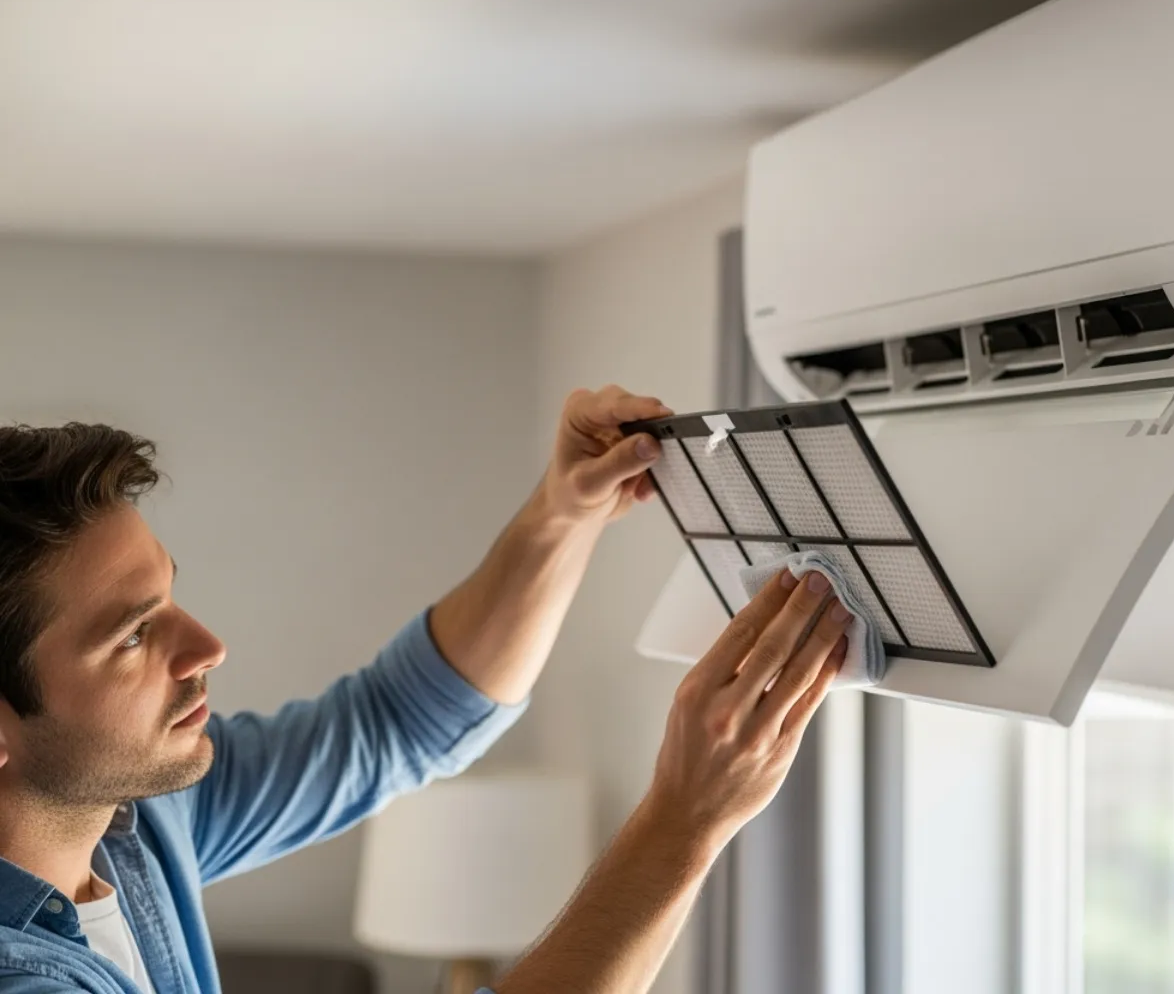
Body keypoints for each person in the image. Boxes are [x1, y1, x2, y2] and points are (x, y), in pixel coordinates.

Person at [0, 385, 850, 994]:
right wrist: (684, 820)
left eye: (173, 598)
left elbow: (397, 721)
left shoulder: (133, 827)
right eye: (135, 634)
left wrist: (562, 515)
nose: (209, 648)